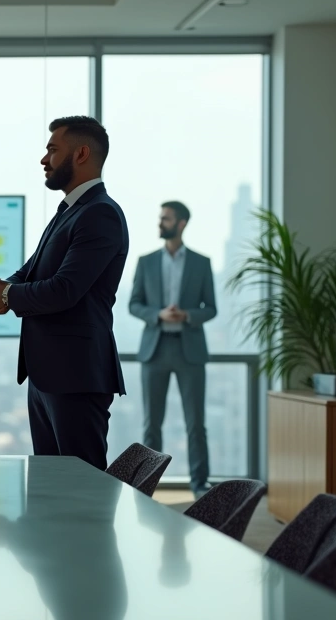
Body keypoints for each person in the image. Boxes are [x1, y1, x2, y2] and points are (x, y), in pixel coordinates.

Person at [0, 115, 128, 471]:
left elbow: (65, 289)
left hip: (76, 375)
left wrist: (9, 296)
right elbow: (33, 269)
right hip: (47, 373)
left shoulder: (100, 214)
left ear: (81, 154)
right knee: (50, 484)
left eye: (52, 149)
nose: (43, 159)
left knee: (83, 487)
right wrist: (4, 287)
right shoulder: (70, 211)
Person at [129, 201, 217, 497]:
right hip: (155, 350)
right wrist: (158, 315)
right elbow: (134, 304)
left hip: (189, 350)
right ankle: (146, 485)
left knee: (196, 424)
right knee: (152, 424)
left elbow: (211, 308)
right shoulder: (146, 262)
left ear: (181, 223)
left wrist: (187, 315)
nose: (160, 222)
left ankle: (199, 485)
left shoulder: (201, 263)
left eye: (166, 218)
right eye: (160, 217)